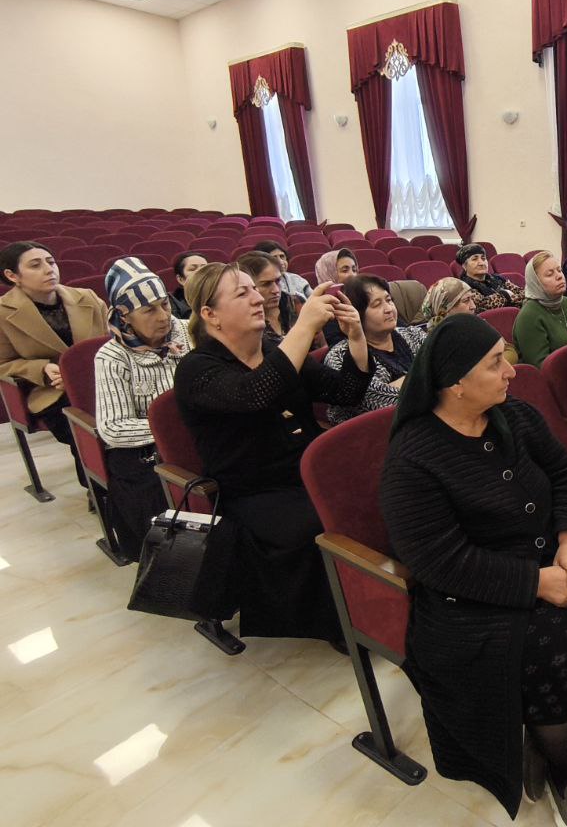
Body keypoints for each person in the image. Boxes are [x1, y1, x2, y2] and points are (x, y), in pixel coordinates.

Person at [380, 313, 567, 825]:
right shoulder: (413, 459)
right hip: (473, 593)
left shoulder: (513, 414)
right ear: (454, 384)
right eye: (495, 363)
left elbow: (564, 471)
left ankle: (547, 735)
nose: (511, 371)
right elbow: (438, 561)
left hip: (549, 553)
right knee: (552, 652)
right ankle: (566, 764)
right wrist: (536, 583)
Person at [174, 262, 372, 642]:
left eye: (256, 289)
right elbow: (255, 394)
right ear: (210, 315)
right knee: (317, 523)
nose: (259, 298)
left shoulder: (271, 350)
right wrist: (304, 328)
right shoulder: (196, 369)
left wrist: (356, 337)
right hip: (254, 490)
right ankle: (344, 623)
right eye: (242, 293)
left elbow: (347, 392)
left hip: (305, 473)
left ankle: (375, 604)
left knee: (374, 494)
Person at [93, 257, 191, 560]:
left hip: (199, 433)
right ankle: (170, 567)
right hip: (144, 448)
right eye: (149, 310)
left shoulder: (189, 332)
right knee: (154, 499)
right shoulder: (112, 357)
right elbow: (113, 428)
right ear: (125, 316)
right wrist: (174, 430)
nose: (163, 316)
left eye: (164, 304)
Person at [0, 241, 109, 488]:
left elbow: (110, 342)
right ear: (12, 275)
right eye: (35, 265)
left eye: (51, 262)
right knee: (87, 428)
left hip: (99, 380)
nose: (49, 269)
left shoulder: (87, 298)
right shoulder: (3, 313)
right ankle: (98, 489)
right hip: (51, 390)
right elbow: (3, 364)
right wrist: (40, 369)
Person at [323, 273, 426, 423]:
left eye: (389, 300)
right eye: (377, 305)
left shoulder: (413, 334)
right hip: (376, 431)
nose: (389, 309)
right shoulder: (340, 356)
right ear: (357, 313)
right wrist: (428, 376)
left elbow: (447, 370)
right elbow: (378, 403)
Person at [513, 251, 567, 367]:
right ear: (536, 283)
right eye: (550, 274)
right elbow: (541, 366)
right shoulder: (529, 316)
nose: (559, 276)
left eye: (559, 270)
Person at [236, 252, 297, 346]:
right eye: (266, 284)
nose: (276, 290)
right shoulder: (241, 322)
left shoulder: (294, 303)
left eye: (278, 281)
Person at [458, 243, 525, 311]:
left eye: (483, 258)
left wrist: (505, 298)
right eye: (475, 259)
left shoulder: (498, 278)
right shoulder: (464, 287)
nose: (481, 263)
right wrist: (506, 294)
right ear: (464, 266)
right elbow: (484, 305)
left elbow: (523, 293)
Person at [315, 248, 359, 346]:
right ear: (328, 274)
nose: (352, 275)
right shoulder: (323, 307)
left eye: (354, 270)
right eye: (345, 270)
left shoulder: (361, 295)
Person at [169, 251, 207, 320]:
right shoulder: (173, 306)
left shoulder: (221, 297)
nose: (200, 271)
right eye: (192, 269)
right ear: (181, 279)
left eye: (204, 268)